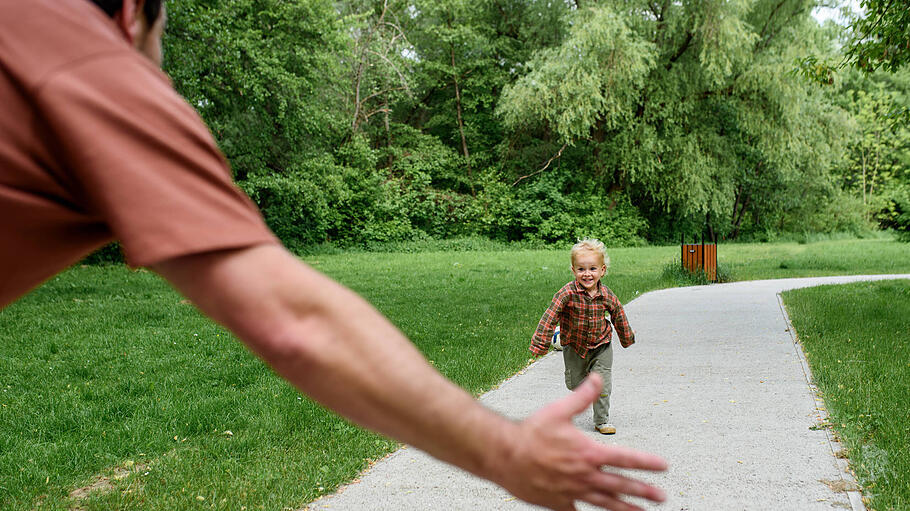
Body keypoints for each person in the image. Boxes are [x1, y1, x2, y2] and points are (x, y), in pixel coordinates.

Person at [0, 1, 667, 509]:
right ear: (130, 14)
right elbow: (296, 320)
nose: (160, 65)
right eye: (163, 37)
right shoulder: (90, 63)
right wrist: (504, 449)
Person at [530, 239, 636, 436]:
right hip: (574, 346)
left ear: (602, 270)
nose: (587, 274)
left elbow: (618, 314)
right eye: (581, 269)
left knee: (602, 385)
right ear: (573, 270)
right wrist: (540, 344)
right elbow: (550, 316)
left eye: (592, 269)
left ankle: (601, 421)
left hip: (601, 345)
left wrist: (626, 337)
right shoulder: (566, 293)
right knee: (575, 384)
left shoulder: (606, 295)